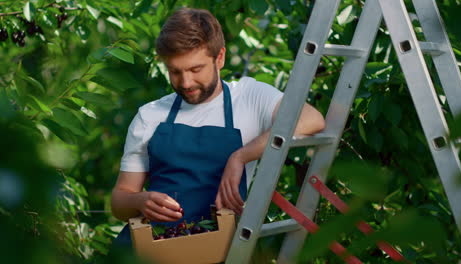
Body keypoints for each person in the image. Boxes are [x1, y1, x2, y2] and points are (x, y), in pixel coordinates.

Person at [110, 7, 325, 246]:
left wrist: (240, 156)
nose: (186, 82)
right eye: (175, 72)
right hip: (147, 251)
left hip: (214, 249)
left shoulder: (249, 97)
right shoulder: (149, 116)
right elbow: (120, 202)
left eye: (195, 69)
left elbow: (311, 119)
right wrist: (140, 201)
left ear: (219, 57)